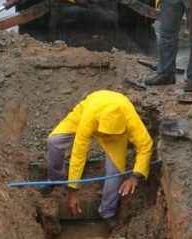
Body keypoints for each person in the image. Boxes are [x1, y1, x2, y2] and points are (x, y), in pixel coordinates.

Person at [47, 90, 153, 222]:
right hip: (89, 109)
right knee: (54, 141)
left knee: (114, 173)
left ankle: (107, 212)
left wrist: (135, 176)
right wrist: (72, 190)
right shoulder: (89, 117)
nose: (104, 139)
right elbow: (79, 155)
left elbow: (146, 144)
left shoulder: (129, 116)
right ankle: (57, 180)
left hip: (118, 137)